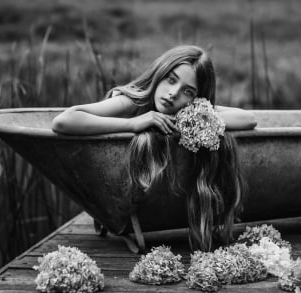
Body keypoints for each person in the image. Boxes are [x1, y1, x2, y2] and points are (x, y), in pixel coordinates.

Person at [52, 45, 256, 251]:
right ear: (160, 73)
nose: (173, 93)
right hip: (125, 194)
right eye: (171, 79)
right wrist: (133, 123)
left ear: (197, 99)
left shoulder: (188, 109)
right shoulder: (134, 100)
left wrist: (188, 116)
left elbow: (248, 119)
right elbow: (64, 121)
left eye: (188, 91)